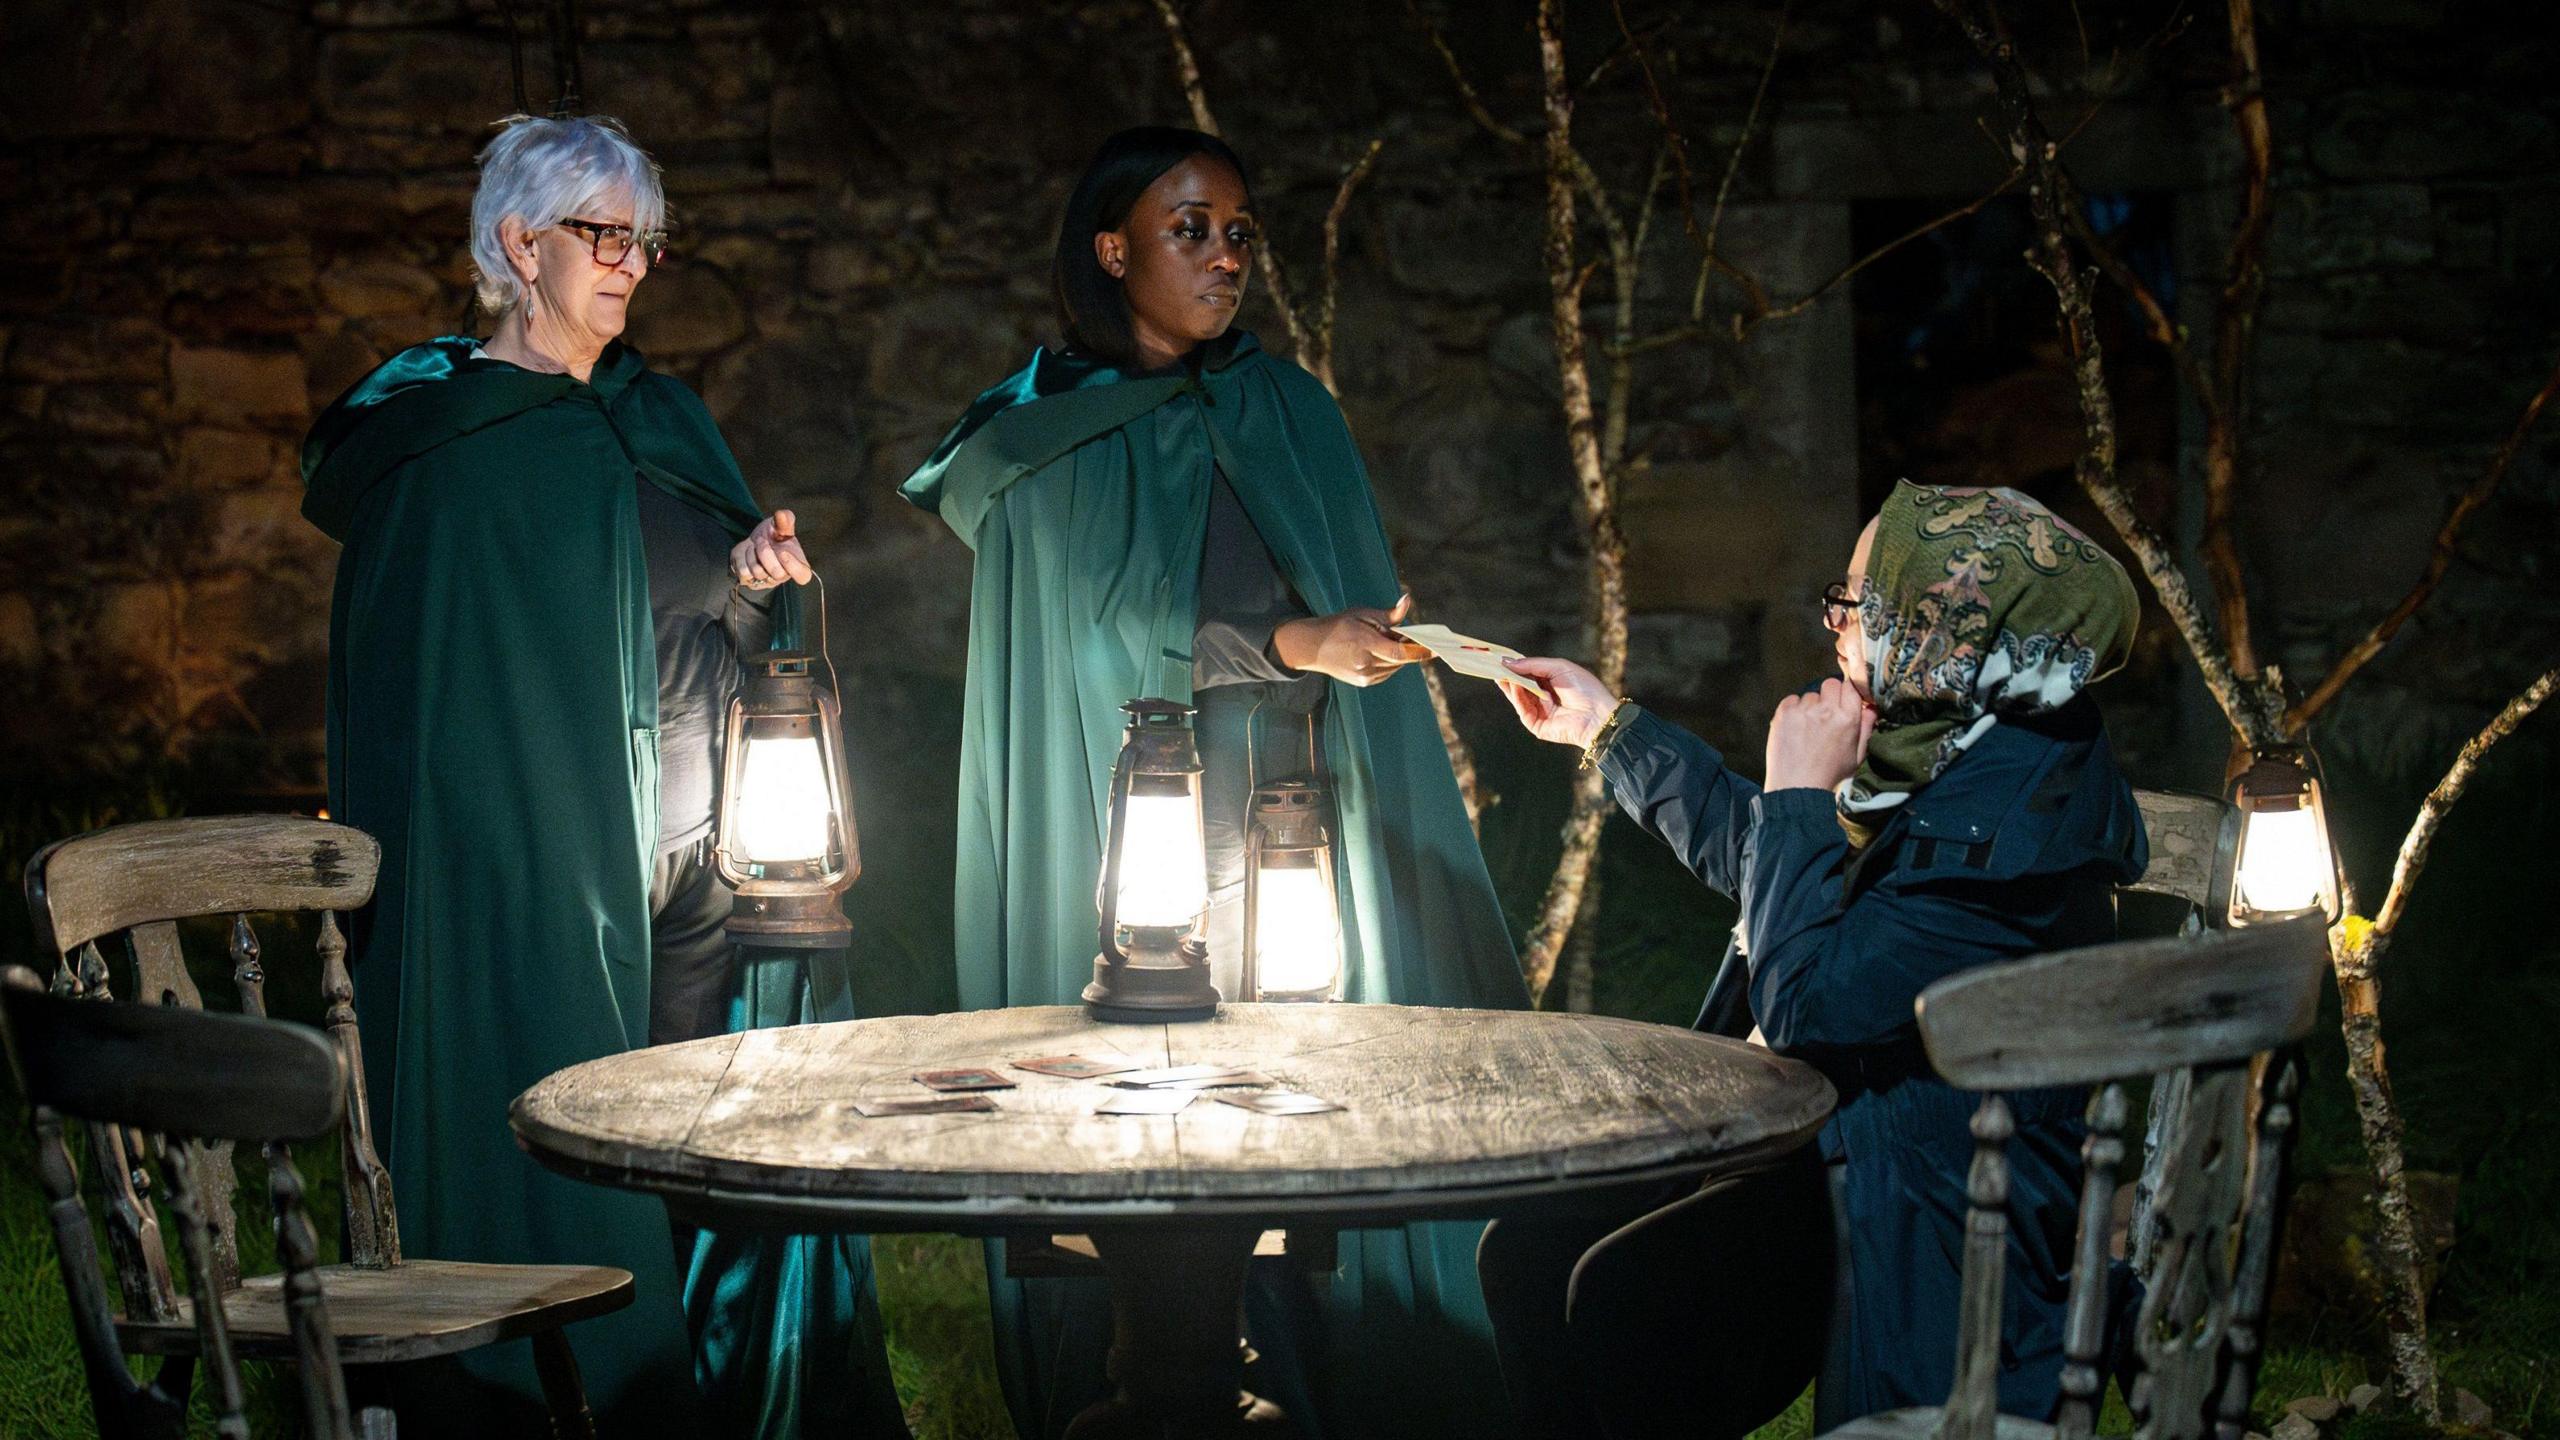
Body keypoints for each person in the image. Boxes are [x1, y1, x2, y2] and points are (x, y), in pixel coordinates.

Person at [900, 126, 1527, 1438]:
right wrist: (1296, 640)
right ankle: (1162, 1390)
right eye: (1190, 227)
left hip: (1304, 823)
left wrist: (1366, 634)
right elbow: (1085, 644)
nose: (1225, 255)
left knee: (1310, 1117)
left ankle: (1339, 1384)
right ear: (1113, 248)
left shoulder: (1284, 406)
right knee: (1171, 1132)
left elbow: (1324, 572)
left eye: (1240, 231)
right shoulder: (1047, 441)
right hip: (1142, 843)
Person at [302, 113, 906, 1437]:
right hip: (529, 884)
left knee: (696, 1166)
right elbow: (433, 702)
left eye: (646, 238)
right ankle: (570, 1404)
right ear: (519, 244)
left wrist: (768, 599)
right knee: (575, 1154)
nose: (630, 262)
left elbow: (730, 636)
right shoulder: (445, 453)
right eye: (603, 233)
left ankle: (719, 1403)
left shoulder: (657, 414)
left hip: (702, 879)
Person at [1484, 481, 2148, 1436]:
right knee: (1530, 1249)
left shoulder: (2008, 826)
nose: (1836, 625)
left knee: (1620, 1299)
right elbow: (1775, 873)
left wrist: (1800, 789)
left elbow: (1805, 997)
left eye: (1860, 602)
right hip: (1846, 1145)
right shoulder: (1954, 742)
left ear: (1942, 625)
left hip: (1914, 1199)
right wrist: (1606, 728)